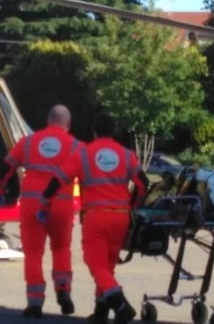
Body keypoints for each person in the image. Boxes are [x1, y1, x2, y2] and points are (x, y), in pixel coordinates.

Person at [41, 114, 148, 324]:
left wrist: (45, 200)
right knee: (107, 267)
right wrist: (133, 204)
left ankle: (121, 305)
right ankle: (101, 311)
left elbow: (59, 179)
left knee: (95, 264)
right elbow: (143, 183)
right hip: (121, 217)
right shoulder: (127, 155)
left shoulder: (84, 154)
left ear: (94, 131)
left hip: (96, 217)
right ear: (114, 131)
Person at [0, 105, 80, 318]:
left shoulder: (28, 142)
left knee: (33, 255)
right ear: (67, 125)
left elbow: (6, 168)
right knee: (61, 250)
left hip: (32, 206)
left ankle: (35, 302)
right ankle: (63, 290)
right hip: (61, 207)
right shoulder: (76, 146)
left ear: (48, 121)